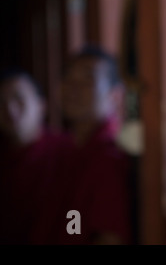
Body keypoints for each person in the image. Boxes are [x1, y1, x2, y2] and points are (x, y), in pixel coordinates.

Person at [56, 45, 132, 244]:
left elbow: (110, 238)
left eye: (87, 81)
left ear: (115, 95)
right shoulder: (66, 149)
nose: (73, 88)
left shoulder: (109, 157)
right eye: (68, 79)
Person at [0, 69, 66, 244]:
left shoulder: (66, 152)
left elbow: (77, 218)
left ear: (41, 105)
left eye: (19, 99)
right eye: (1, 102)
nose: (9, 109)